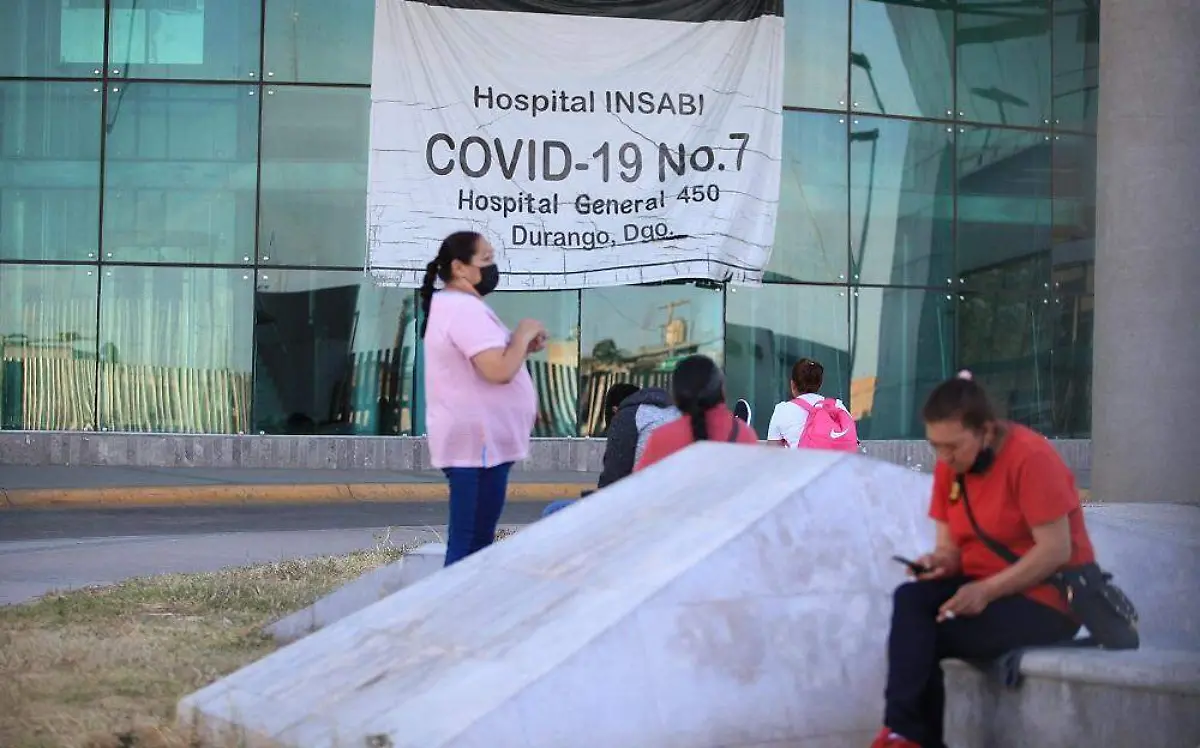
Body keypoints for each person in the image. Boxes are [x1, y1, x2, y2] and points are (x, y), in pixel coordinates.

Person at [872, 371, 1095, 748]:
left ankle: (912, 737)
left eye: (953, 446)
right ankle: (903, 733)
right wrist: (940, 563)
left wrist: (986, 591)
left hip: (1046, 600)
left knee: (925, 639)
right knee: (910, 599)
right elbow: (950, 550)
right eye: (935, 446)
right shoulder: (950, 467)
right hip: (983, 587)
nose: (944, 457)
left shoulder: (1031, 457)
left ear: (986, 432)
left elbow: (1056, 550)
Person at [419, 231, 545, 566]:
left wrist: (520, 346)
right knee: (470, 546)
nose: (492, 267)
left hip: (480, 442)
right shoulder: (462, 309)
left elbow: (491, 363)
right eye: (486, 259)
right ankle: (454, 599)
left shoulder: (457, 306)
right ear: (459, 267)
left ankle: (461, 597)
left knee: (475, 543)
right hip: (477, 444)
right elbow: (497, 371)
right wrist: (523, 333)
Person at [541, 383, 679, 518]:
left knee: (554, 510)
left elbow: (612, 483)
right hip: (672, 504)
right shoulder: (674, 413)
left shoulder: (628, 416)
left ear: (614, 410)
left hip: (639, 508)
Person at [635, 355, 758, 471]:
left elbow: (639, 484)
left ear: (676, 395)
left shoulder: (661, 438)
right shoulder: (744, 435)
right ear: (722, 389)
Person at [766, 358, 851, 447]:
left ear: (792, 384)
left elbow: (773, 451)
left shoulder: (782, 410)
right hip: (838, 456)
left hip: (802, 456)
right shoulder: (837, 406)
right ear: (820, 384)